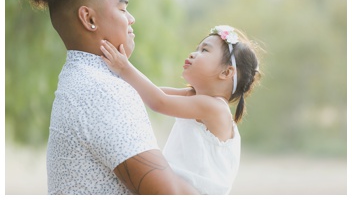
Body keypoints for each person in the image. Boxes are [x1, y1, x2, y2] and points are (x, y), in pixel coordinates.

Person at [21, 0, 197, 194]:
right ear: (89, 18)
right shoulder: (101, 92)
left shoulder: (80, 80)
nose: (132, 19)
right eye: (123, 9)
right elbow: (169, 194)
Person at [100, 25, 261, 194]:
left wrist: (124, 67)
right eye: (197, 49)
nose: (193, 54)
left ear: (226, 72)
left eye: (205, 50)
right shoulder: (193, 96)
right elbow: (152, 92)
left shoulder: (216, 108)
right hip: (176, 186)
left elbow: (159, 102)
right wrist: (119, 75)